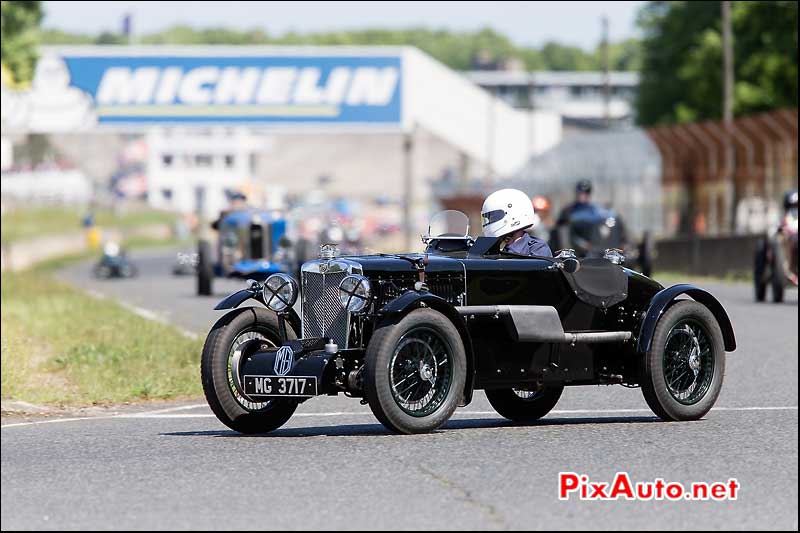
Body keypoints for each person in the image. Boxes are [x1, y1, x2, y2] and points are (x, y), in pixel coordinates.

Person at [481, 188, 552, 257]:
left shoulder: (537, 249)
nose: (491, 220)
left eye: (494, 217)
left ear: (512, 214)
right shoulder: (493, 249)